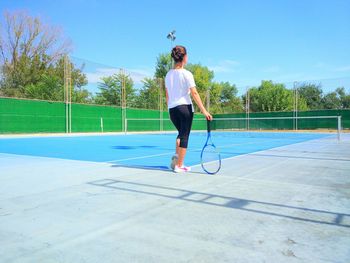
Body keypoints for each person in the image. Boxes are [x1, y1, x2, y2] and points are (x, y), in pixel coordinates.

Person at [165, 45, 212, 173]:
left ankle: (176, 158)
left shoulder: (168, 75)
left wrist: (169, 108)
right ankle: (179, 165)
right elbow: (195, 93)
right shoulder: (187, 74)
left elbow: (167, 95)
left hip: (172, 110)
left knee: (180, 134)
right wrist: (204, 111)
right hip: (185, 108)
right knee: (185, 136)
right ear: (184, 57)